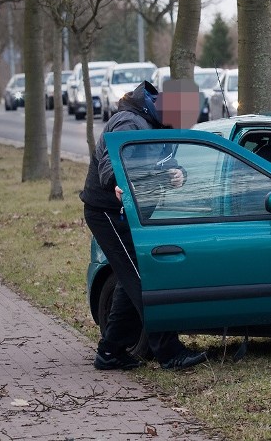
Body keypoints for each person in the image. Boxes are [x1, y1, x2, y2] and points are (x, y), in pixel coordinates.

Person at [80, 80, 207, 371]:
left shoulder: (162, 125)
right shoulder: (129, 122)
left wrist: (178, 174)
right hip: (108, 212)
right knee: (144, 278)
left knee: (132, 278)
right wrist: (117, 184)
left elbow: (164, 164)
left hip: (136, 211)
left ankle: (110, 351)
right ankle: (168, 351)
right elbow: (111, 169)